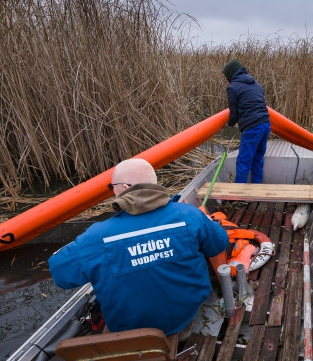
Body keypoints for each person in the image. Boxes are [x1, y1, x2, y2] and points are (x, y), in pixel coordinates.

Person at [48, 158, 229, 336]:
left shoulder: (96, 236)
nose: (112, 192)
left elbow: (60, 274)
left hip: (128, 331)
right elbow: (219, 243)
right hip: (182, 320)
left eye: (112, 187)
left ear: (125, 188)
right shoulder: (190, 215)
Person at [222, 59, 271, 183]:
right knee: (258, 158)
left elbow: (234, 113)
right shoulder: (256, 84)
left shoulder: (232, 88)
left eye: (226, 77)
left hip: (252, 127)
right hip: (266, 124)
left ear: (230, 75)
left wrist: (228, 124)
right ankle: (256, 187)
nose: (226, 80)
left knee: (243, 161)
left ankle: (240, 197)